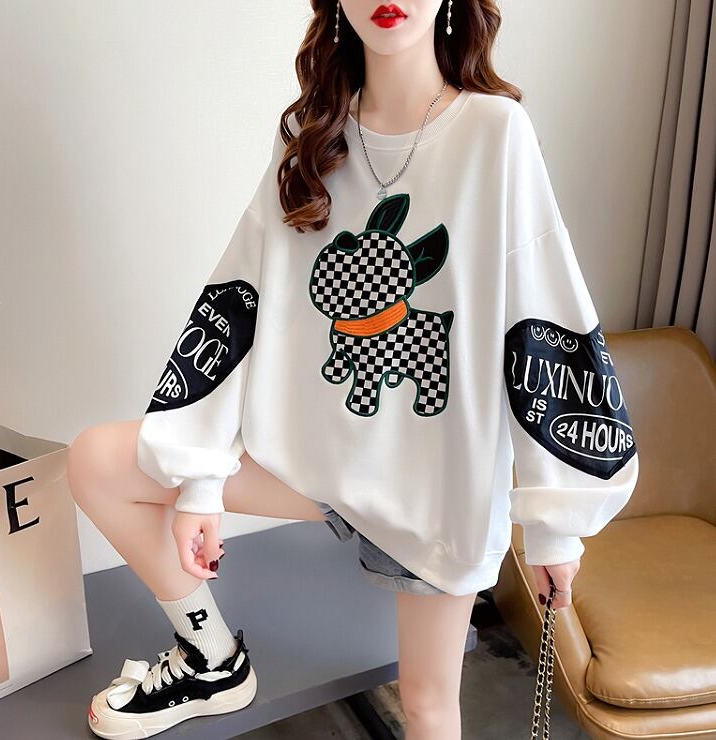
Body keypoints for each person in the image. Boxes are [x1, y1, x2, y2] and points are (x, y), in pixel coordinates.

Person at [67, 1, 640, 738]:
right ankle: (212, 661)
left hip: (435, 488)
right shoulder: (312, 141)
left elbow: (542, 317)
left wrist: (557, 528)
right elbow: (240, 297)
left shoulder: (495, 135)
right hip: (318, 465)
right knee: (96, 462)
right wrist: (201, 480)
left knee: (428, 706)